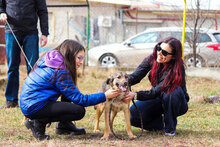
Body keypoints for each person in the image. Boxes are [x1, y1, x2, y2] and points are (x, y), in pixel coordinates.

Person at [19, 39, 121, 140]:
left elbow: (70, 93)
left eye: (83, 59)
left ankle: (64, 125)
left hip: (29, 102)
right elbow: (80, 99)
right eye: (79, 58)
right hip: (34, 106)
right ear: (69, 54)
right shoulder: (60, 71)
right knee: (78, 111)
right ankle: (37, 123)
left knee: (68, 95)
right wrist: (105, 95)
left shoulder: (51, 60)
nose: (81, 62)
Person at [123, 36, 189, 136]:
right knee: (134, 116)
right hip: (158, 98)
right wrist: (121, 82)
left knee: (171, 93)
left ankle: (170, 129)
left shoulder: (176, 68)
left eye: (165, 53)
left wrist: (135, 95)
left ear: (174, 56)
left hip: (176, 101)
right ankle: (162, 123)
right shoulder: (151, 58)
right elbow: (136, 76)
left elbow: (155, 92)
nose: (159, 53)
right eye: (159, 48)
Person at [0, 0, 49, 108]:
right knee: (12, 67)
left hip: (31, 32)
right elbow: (1, 5)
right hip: (11, 31)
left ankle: (34, 99)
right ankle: (11, 100)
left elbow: (43, 11)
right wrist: (2, 12)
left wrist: (44, 33)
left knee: (33, 69)